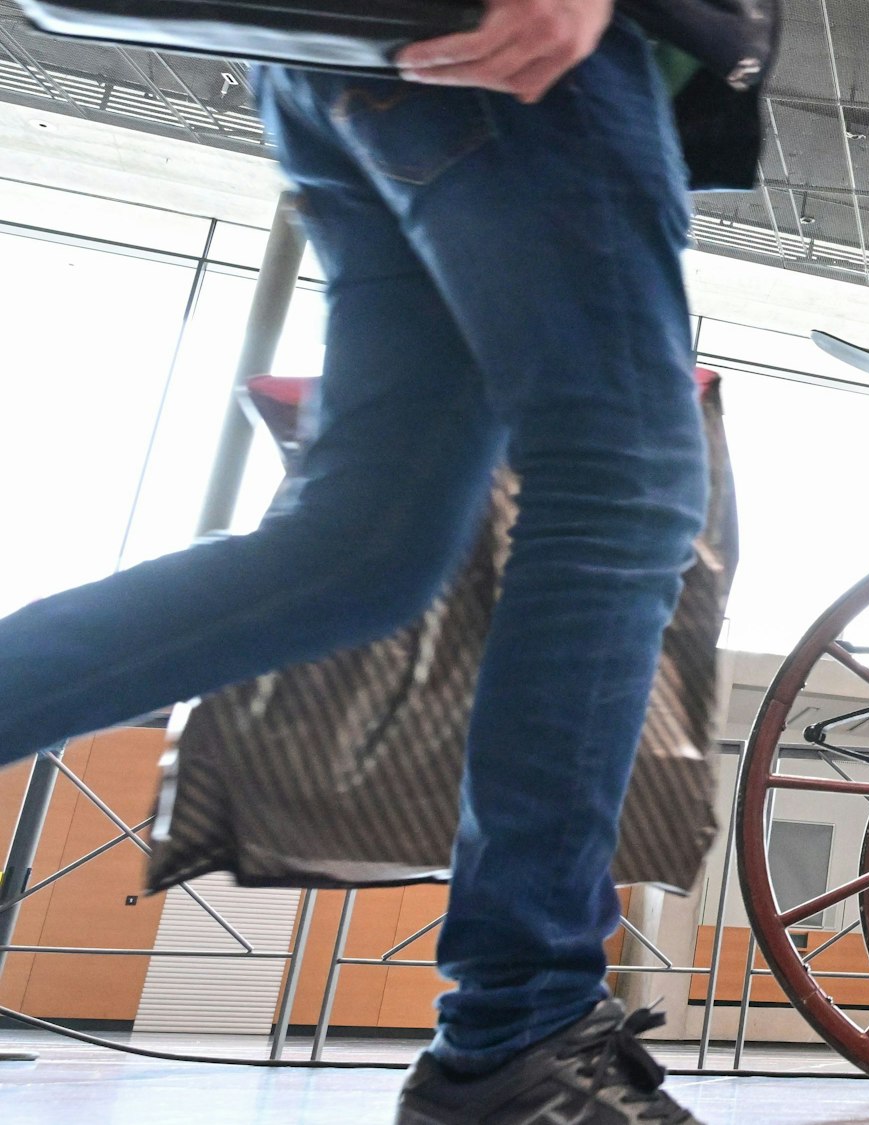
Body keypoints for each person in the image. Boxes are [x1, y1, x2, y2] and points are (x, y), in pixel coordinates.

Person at [0, 1, 771, 1120]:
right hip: (509, 57)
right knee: (623, 487)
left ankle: (519, 1032)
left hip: (358, 52)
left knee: (360, 552)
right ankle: (524, 1031)